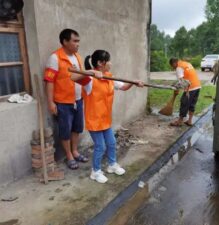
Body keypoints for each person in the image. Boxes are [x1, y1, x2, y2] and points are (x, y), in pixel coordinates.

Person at [71, 50, 144, 183]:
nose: (110, 63)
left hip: (105, 119)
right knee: (100, 146)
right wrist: (91, 72)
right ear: (100, 63)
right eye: (108, 60)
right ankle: (96, 171)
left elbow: (123, 87)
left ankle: (112, 165)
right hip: (94, 121)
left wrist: (134, 82)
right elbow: (73, 78)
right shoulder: (90, 80)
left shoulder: (109, 77)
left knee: (111, 143)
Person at [44, 28, 88, 170]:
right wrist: (51, 102)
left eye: (78, 41)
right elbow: (49, 81)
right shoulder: (55, 58)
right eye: (75, 41)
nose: (77, 44)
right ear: (65, 41)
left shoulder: (78, 57)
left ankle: (75, 151)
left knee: (77, 128)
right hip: (63, 102)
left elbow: (81, 77)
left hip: (78, 100)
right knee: (65, 130)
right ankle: (68, 155)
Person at [169, 58, 201, 126]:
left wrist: (177, 88)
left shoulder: (179, 68)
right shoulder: (187, 63)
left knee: (184, 103)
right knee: (192, 104)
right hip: (197, 86)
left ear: (174, 63)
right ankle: (189, 121)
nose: (173, 68)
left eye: (172, 66)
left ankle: (179, 122)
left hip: (190, 88)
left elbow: (182, 81)